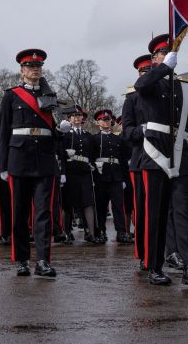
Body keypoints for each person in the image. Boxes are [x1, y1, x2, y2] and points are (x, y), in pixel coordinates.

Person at [128, 34, 188, 288]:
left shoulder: (185, 88)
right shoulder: (149, 84)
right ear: (155, 58)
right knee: (155, 216)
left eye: (170, 53)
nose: (167, 56)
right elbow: (142, 85)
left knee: (185, 216)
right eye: (162, 53)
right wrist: (162, 69)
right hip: (153, 157)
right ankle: (154, 266)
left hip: (180, 157)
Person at [0, 48, 66, 277]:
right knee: (19, 212)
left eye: (38, 67)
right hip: (19, 159)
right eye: (30, 66)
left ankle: (43, 260)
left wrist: (62, 128)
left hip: (45, 159)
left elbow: (56, 134)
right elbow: (3, 134)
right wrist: (3, 166)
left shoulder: (50, 96)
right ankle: (22, 260)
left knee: (43, 213)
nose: (34, 70)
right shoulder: (11, 95)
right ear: (22, 70)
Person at [122, 54, 152, 272]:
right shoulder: (132, 99)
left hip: (166, 161)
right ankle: (143, 252)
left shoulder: (166, 94)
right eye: (143, 72)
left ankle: (171, 251)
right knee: (142, 211)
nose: (146, 74)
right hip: (141, 161)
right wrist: (141, 131)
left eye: (150, 70)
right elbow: (126, 132)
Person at [61, 105, 100, 243]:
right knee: (68, 203)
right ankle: (66, 233)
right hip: (71, 170)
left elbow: (93, 153)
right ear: (69, 118)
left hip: (84, 171)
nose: (77, 118)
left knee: (88, 202)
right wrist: (63, 171)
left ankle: (91, 233)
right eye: (74, 116)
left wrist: (93, 165)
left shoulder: (87, 135)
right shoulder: (65, 134)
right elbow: (59, 152)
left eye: (79, 115)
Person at [92, 108, 130, 243]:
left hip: (116, 176)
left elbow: (124, 160)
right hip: (101, 176)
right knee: (101, 206)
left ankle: (121, 232)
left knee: (118, 206)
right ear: (97, 122)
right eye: (103, 119)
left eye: (108, 119)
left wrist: (124, 178)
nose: (106, 122)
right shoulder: (94, 139)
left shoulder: (118, 139)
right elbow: (92, 158)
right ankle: (101, 231)